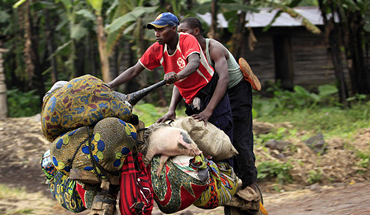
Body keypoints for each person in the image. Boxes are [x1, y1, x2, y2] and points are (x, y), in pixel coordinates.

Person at [106, 12, 234, 167]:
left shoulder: (187, 40)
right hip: (191, 101)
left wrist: (208, 109)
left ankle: (230, 182)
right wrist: (110, 85)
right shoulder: (156, 49)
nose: (157, 34)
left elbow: (193, 64)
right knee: (202, 144)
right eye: (155, 30)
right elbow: (134, 70)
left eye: (161, 29)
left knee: (221, 141)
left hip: (209, 92)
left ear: (174, 29)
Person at [174, 17, 260, 199]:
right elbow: (179, 80)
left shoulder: (213, 48)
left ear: (196, 31)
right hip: (212, 95)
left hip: (235, 92)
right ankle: (227, 180)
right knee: (214, 138)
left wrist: (209, 111)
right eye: (179, 33)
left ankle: (250, 184)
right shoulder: (186, 52)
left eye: (185, 32)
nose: (181, 36)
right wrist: (171, 109)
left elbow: (224, 80)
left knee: (238, 138)